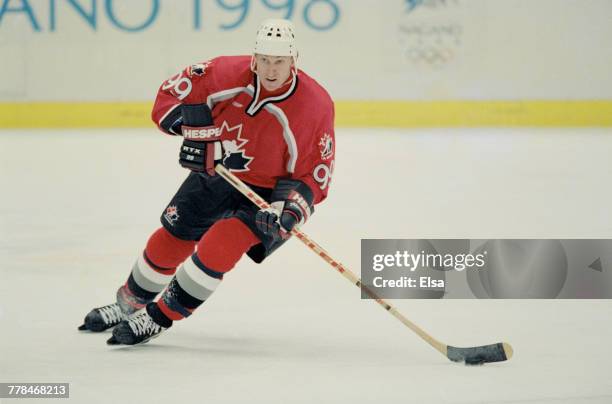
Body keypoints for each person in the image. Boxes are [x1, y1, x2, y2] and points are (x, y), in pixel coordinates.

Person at [78, 19, 336, 346]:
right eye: (265, 60)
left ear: (294, 61)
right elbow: (170, 96)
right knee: (170, 238)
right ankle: (127, 304)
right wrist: (197, 136)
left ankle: (158, 318)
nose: (271, 70)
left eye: (280, 62)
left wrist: (288, 211)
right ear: (254, 57)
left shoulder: (315, 105)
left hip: (268, 195)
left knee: (219, 245)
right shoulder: (221, 73)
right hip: (219, 172)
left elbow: (316, 171)